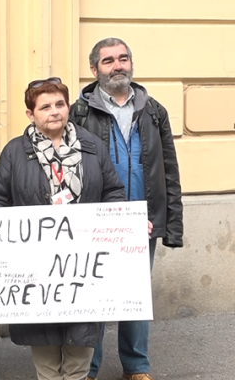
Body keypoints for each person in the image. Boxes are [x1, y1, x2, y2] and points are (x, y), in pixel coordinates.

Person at [0, 77, 126, 380]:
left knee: (80, 351)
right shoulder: (14, 152)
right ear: (31, 114)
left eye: (60, 104)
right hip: (37, 266)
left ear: (68, 107)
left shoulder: (92, 146)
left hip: (83, 265)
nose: (54, 111)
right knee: (46, 355)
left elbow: (113, 191)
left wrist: (125, 222)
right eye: (45, 106)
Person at [71, 37, 183, 380]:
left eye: (123, 58)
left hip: (141, 222)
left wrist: (172, 223)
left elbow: (168, 168)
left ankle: (136, 367)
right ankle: (88, 367)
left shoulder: (153, 110)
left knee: (135, 294)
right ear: (94, 69)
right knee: (93, 293)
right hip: (95, 220)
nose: (117, 66)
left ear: (131, 64)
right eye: (108, 61)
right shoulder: (79, 112)